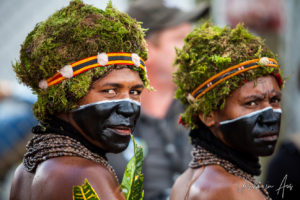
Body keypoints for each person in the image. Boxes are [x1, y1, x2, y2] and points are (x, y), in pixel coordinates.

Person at [9, 0, 149, 199]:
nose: (129, 109)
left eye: (135, 92)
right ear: (66, 97)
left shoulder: (27, 169)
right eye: (110, 91)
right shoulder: (85, 175)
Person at [107, 0, 209, 199]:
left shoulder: (205, 109)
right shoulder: (106, 118)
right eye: (181, 39)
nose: (193, 48)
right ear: (147, 49)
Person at [170, 22, 284, 200]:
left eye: (275, 100)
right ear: (208, 115)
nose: (270, 117)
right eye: (252, 103)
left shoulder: (186, 180)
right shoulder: (233, 190)